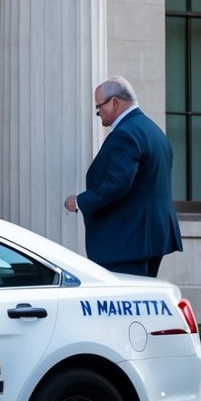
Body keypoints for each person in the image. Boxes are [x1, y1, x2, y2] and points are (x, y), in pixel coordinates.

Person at [64, 75, 182, 277]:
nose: (98, 112)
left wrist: (80, 201)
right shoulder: (154, 131)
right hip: (151, 238)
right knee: (142, 302)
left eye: (99, 106)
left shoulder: (125, 133)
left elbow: (118, 183)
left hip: (127, 241)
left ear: (115, 102)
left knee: (125, 304)